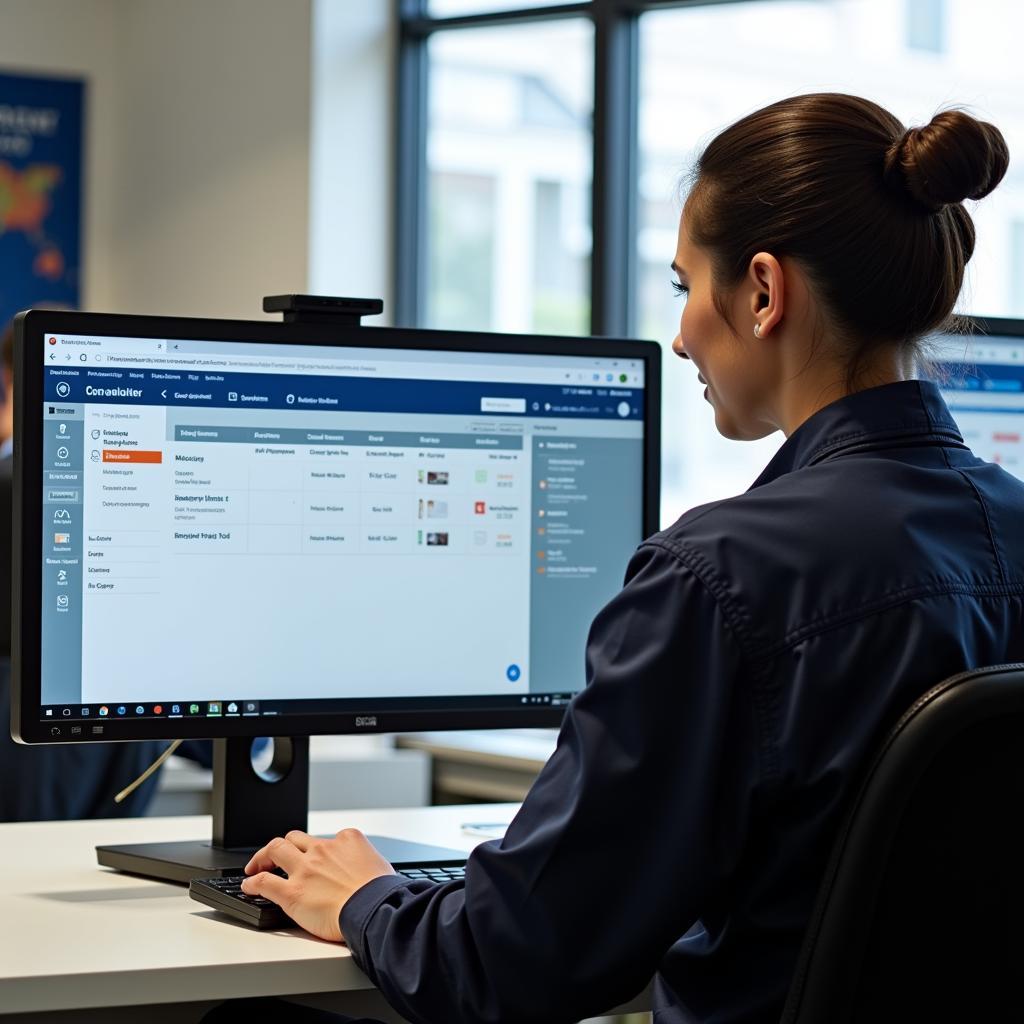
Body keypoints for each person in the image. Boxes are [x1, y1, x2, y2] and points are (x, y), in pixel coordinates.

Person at [230, 95, 1021, 1023]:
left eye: (687, 286)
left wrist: (364, 896)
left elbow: (510, 968)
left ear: (764, 292)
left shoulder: (722, 575)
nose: (681, 334)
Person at [0, 321, 215, 820]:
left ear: (10, 377)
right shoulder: (145, 469)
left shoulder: (15, 479)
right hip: (126, 714)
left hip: (25, 717)